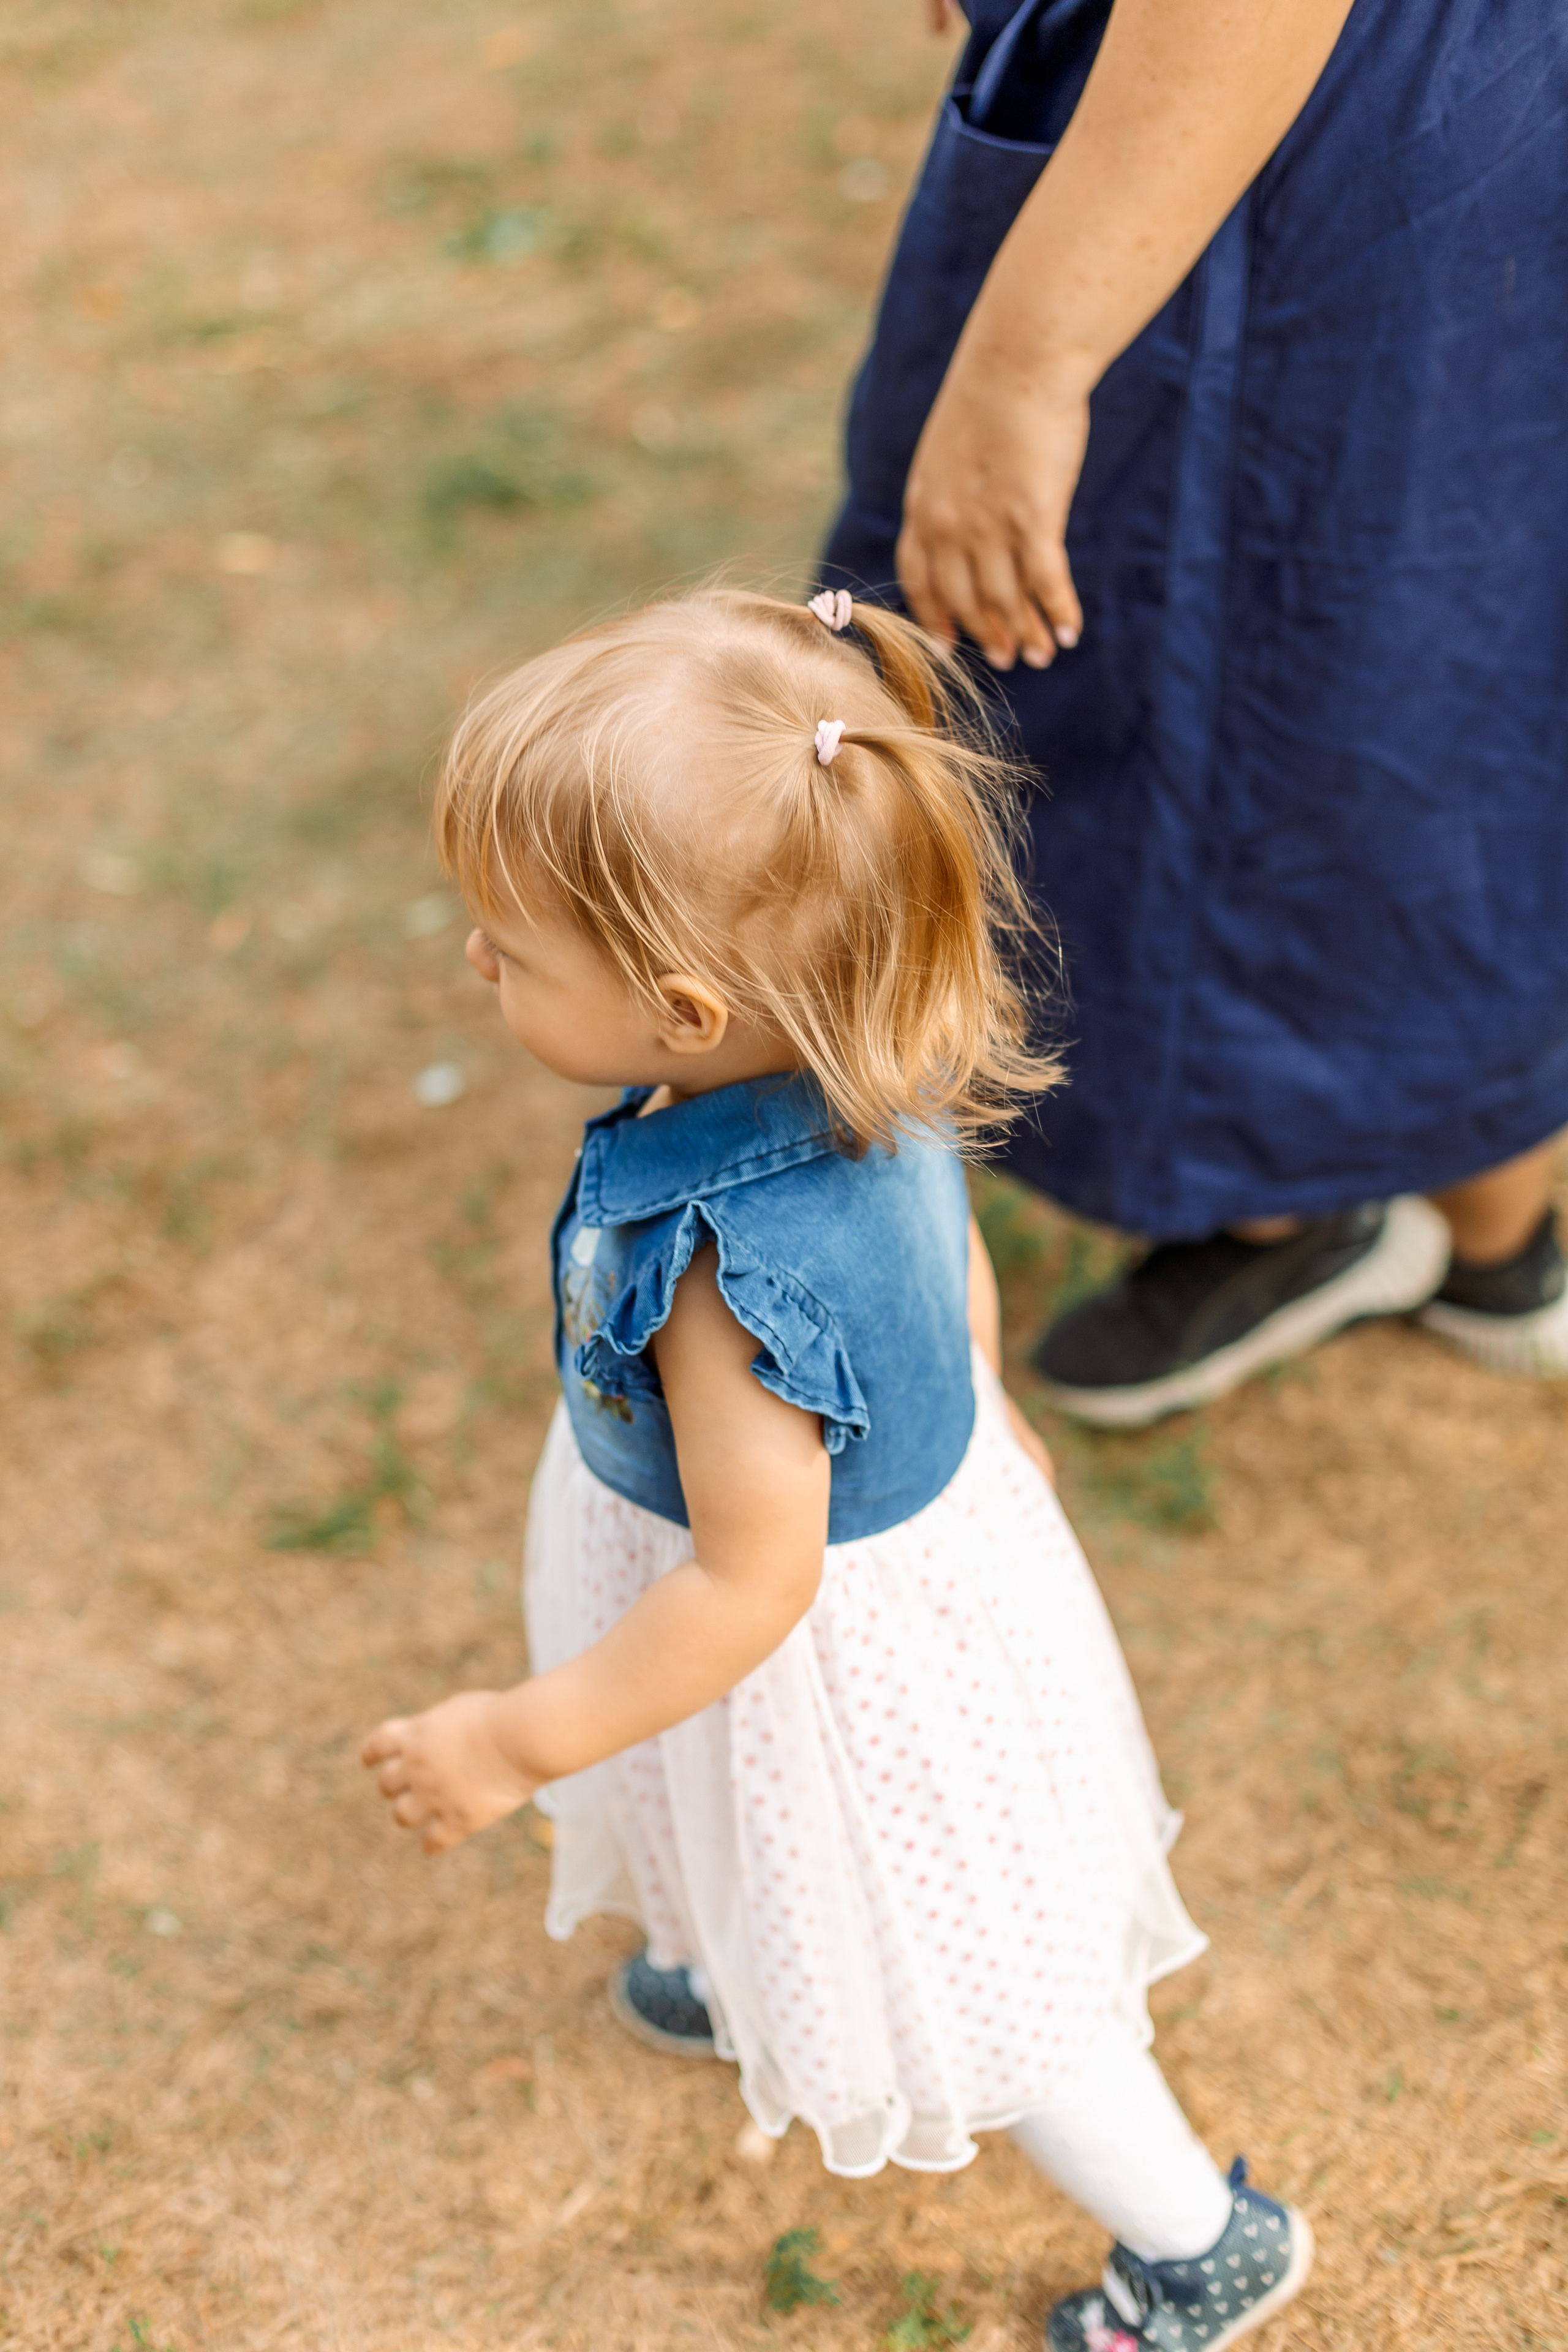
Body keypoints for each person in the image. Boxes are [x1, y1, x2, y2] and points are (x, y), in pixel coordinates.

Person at [362, 588, 1313, 2349]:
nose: (476, 959)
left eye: (512, 945)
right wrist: (977, 1399)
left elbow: (750, 1585)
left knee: (964, 1956)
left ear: (681, 1008)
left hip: (822, 1654)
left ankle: (1200, 2242)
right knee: (724, 1808)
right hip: (894, 1564)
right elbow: (952, 1266)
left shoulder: (724, 1281)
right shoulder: (861, 1045)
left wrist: (514, 1738)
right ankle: (734, 1959)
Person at [822, 0, 1568, 1425]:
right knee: (1428, 662)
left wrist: (1027, 366)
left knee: (1250, 689)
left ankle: (1294, 1208)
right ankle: (1485, 1229)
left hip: (1282, 153)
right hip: (1415, 107)